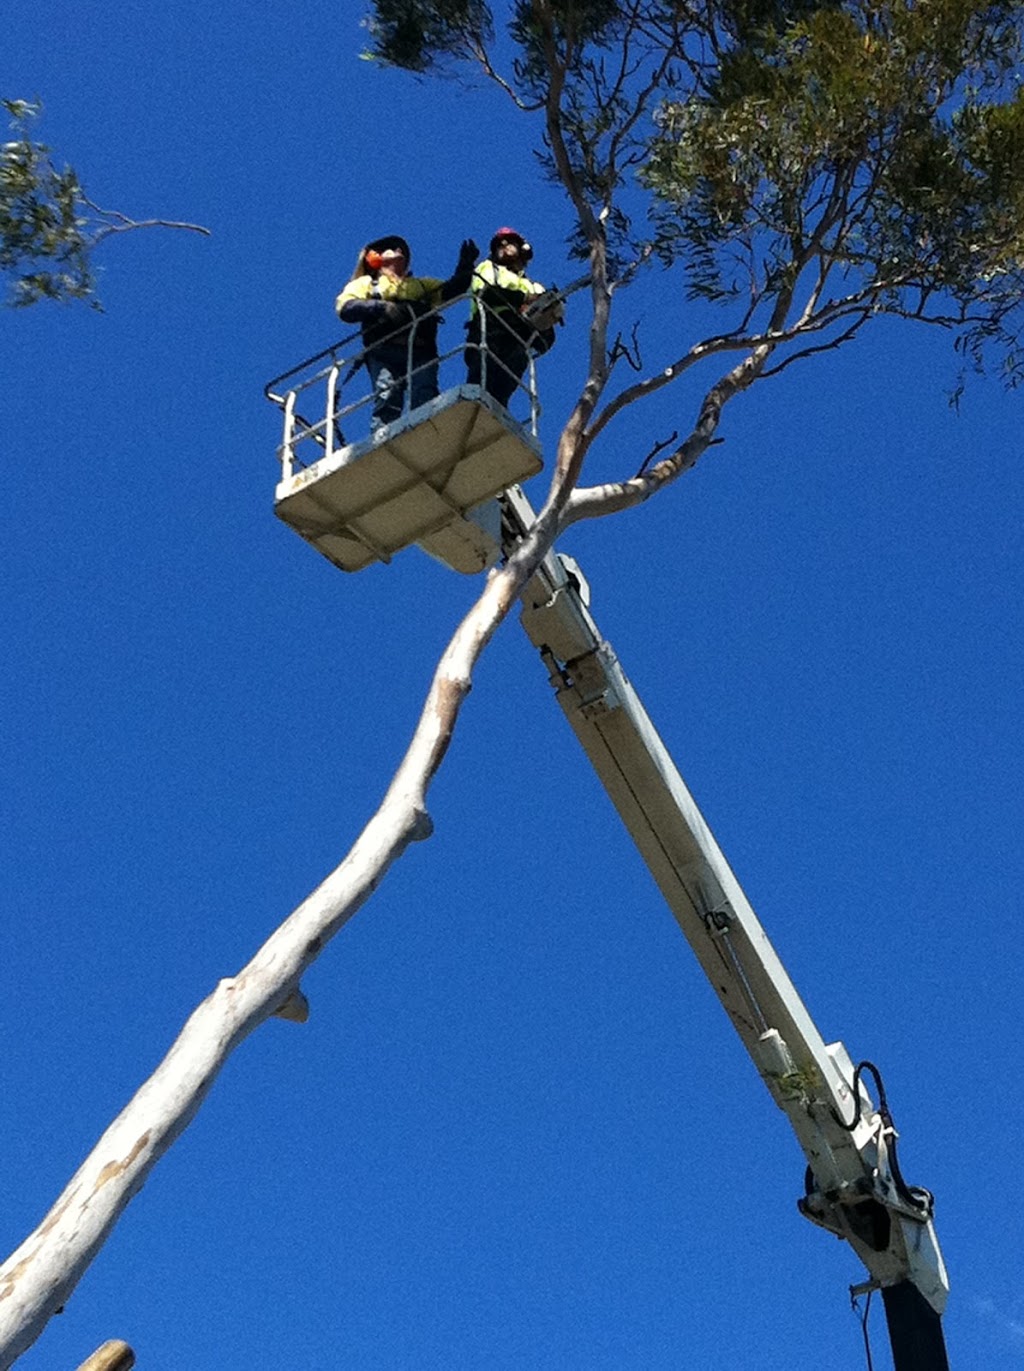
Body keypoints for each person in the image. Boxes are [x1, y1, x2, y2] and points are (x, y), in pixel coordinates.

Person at [336, 234, 478, 432]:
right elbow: (346, 308)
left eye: (400, 249)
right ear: (374, 258)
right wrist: (381, 307)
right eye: (392, 249)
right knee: (387, 397)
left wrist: (466, 265)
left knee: (425, 395)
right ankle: (382, 440)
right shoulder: (367, 284)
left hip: (420, 351)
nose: (399, 251)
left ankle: (425, 434)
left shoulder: (420, 285)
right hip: (383, 350)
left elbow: (452, 290)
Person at [466, 227, 559, 409]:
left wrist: (546, 318)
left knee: (504, 387)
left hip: (518, 340)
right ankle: (472, 410)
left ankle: (495, 413)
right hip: (489, 330)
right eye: (500, 243)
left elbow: (546, 339)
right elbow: (485, 293)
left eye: (509, 242)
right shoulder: (488, 268)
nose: (504, 245)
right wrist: (523, 299)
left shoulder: (534, 287)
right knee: (481, 380)